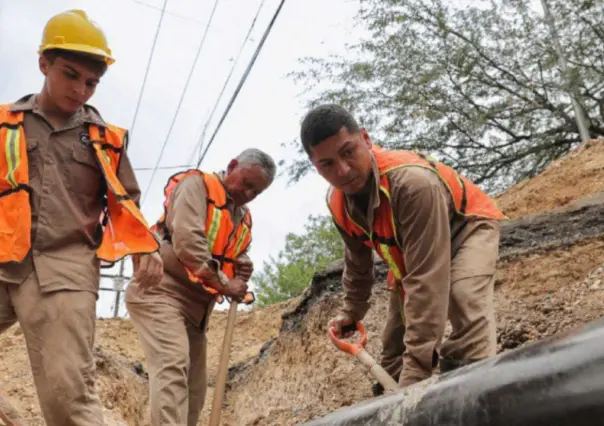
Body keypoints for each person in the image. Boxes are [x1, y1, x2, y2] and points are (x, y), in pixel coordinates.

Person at [0, 9, 163, 426]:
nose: (81, 90)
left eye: (91, 82)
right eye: (70, 75)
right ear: (43, 65)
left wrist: (146, 248)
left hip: (65, 270)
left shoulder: (104, 141)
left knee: (67, 399)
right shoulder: (5, 125)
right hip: (4, 260)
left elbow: (127, 205)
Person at [300, 104, 505, 394]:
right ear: (316, 167)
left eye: (348, 152)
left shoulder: (412, 184)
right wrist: (352, 313)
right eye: (328, 164)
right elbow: (358, 265)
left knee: (463, 299)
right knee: (393, 345)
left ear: (366, 139)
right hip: (410, 253)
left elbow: (427, 282)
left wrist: (416, 377)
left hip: (465, 228)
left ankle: (475, 394)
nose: (343, 170)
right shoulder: (338, 203)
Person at [126, 148, 276, 426]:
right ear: (232, 166)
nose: (248, 194)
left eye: (256, 192)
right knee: (172, 366)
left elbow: (233, 253)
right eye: (246, 183)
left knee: (194, 390)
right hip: (160, 292)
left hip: (197, 310)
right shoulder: (196, 186)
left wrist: (242, 264)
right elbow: (188, 242)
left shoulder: (242, 217)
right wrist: (224, 283)